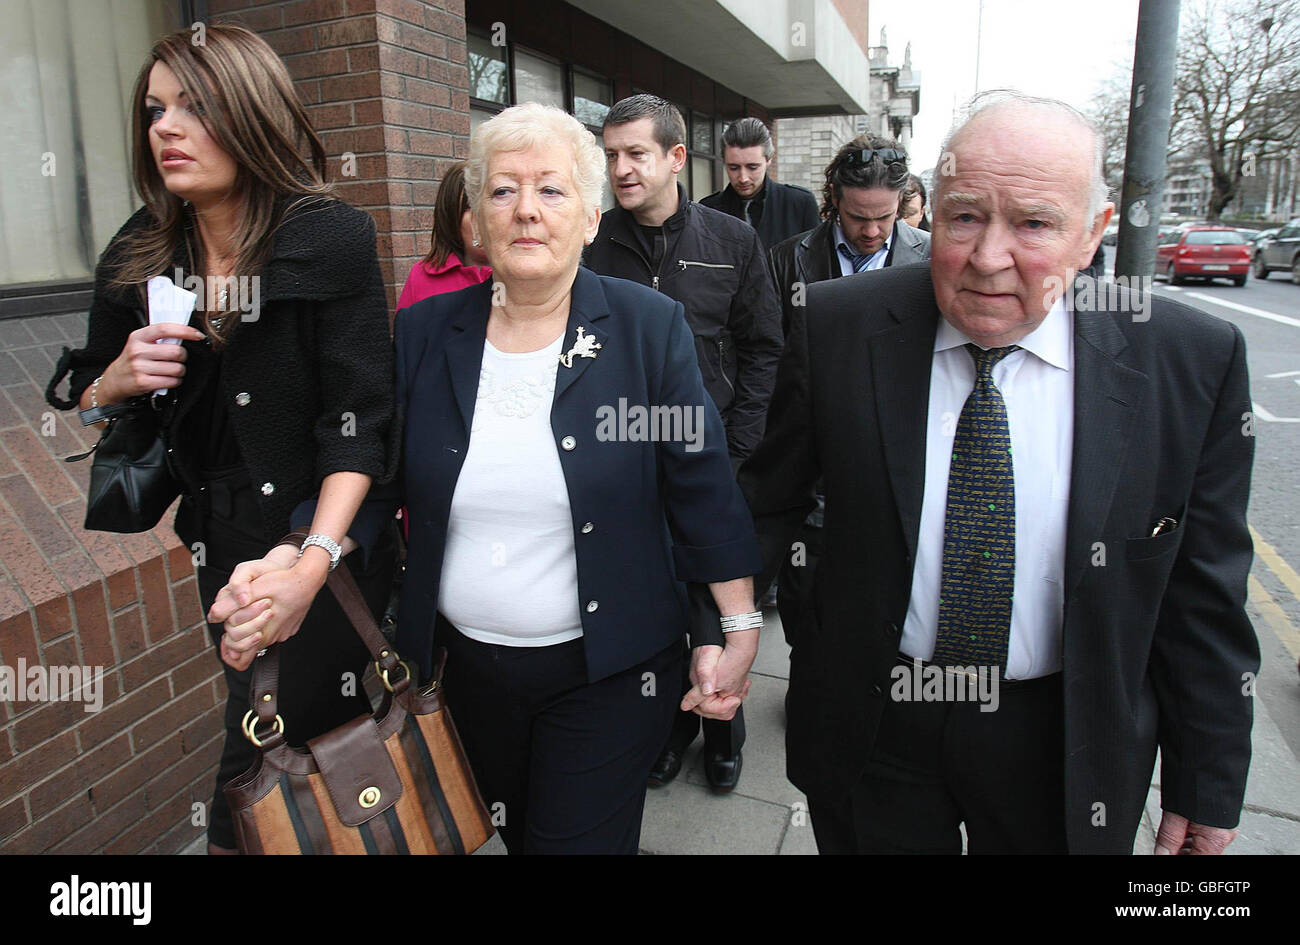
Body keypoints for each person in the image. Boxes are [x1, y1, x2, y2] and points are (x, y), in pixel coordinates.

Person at [213, 103, 763, 855]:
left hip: (612, 673)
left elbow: (698, 481)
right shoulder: (427, 333)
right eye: (502, 191)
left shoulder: (646, 327)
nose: (526, 211)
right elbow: (375, 478)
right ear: (473, 221)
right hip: (462, 674)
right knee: (504, 832)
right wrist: (299, 555)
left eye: (552, 190)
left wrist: (736, 623)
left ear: (592, 218)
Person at [731, 92, 1258, 854]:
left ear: (1092, 235)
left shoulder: (1190, 362)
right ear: (931, 213)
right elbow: (768, 502)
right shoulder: (837, 322)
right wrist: (731, 623)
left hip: (1062, 737)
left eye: (1035, 223)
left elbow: (1204, 592)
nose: (988, 257)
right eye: (966, 216)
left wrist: (1208, 779)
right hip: (877, 720)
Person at [45, 26, 399, 855]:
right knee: (276, 744)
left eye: (193, 107)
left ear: (250, 111)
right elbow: (90, 399)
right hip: (222, 538)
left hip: (323, 532)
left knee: (282, 752)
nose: (165, 127)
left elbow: (359, 423)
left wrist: (310, 565)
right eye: (155, 110)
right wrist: (116, 383)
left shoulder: (327, 237)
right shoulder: (142, 248)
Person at [585, 94, 783, 793]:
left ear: (675, 157)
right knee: (653, 606)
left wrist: (736, 443)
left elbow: (764, 348)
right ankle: (669, 726)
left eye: (635, 152)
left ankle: (725, 732)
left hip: (714, 458)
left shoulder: (731, 241)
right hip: (621, 459)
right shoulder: (593, 242)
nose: (620, 168)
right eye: (610, 154)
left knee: (720, 600)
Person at [767, 136, 931, 649]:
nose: (872, 230)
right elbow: (772, 361)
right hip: (815, 464)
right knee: (806, 603)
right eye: (859, 216)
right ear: (835, 197)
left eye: (885, 217)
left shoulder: (933, 259)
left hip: (900, 452)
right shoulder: (788, 259)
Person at [700, 117, 820, 250]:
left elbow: (816, 263)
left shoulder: (800, 204)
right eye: (734, 168)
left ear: (769, 160)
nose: (743, 178)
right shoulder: (707, 210)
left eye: (752, 167)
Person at [396, 160, 492, 311]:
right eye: (471, 207)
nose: (485, 218)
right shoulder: (422, 278)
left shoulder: (529, 273)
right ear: (451, 215)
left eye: (493, 204)